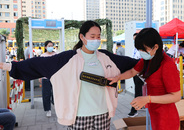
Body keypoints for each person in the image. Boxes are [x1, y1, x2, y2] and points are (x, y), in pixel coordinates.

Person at [0, 20, 138, 129]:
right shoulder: (67, 59)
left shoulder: (106, 57)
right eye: (92, 36)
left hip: (103, 113)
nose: (96, 39)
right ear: (82, 37)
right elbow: (38, 63)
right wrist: (8, 66)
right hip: (78, 116)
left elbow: (133, 64)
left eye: (98, 36)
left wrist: (152, 60)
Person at [108, 28, 181, 130]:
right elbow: (133, 71)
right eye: (139, 50)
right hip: (154, 112)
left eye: (143, 49)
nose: (141, 52)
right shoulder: (148, 59)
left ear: (155, 47)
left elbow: (176, 96)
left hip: (166, 116)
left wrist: (147, 99)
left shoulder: (167, 65)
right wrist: (118, 78)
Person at [128, 33, 144, 117]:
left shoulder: (144, 48)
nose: (135, 41)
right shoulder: (135, 48)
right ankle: (139, 106)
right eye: (134, 40)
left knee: (138, 91)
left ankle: (134, 110)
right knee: (138, 90)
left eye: (136, 39)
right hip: (136, 71)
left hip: (141, 73)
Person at [39, 40, 56, 117]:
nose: (50, 47)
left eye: (51, 46)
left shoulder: (56, 55)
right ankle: (48, 110)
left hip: (55, 77)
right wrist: (40, 76)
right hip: (45, 78)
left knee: (56, 94)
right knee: (46, 94)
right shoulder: (42, 56)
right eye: (49, 46)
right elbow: (40, 68)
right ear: (45, 47)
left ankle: (57, 107)